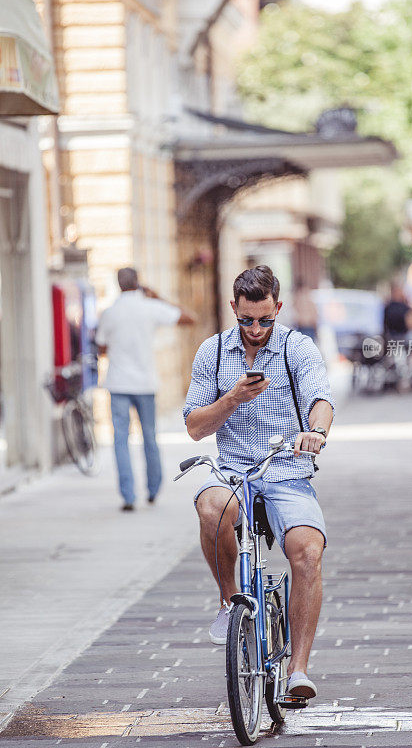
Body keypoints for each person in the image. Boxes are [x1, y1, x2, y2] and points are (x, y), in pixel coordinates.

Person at [183, 265, 334, 700]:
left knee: (307, 549)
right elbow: (195, 426)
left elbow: (321, 398)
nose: (255, 329)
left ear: (278, 309)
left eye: (265, 320)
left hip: (287, 468)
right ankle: (230, 603)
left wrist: (317, 433)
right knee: (211, 507)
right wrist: (230, 398)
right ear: (234, 308)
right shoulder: (211, 353)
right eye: (246, 319)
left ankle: (298, 671)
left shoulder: (296, 348)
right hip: (233, 468)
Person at [96, 267, 196, 511]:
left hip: (118, 383)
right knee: (149, 436)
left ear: (118, 285)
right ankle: (153, 490)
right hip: (144, 383)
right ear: (138, 282)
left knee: (120, 439)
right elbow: (189, 317)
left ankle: (128, 496)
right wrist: (157, 296)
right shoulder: (150, 308)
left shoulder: (109, 313)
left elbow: (100, 348)